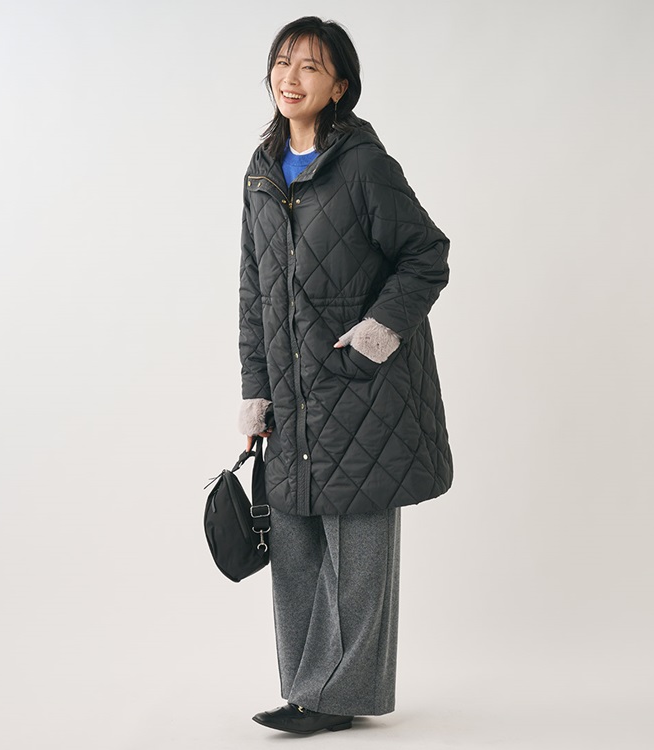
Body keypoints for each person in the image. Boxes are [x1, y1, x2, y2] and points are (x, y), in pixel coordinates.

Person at [237, 16, 455, 736]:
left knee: (358, 556)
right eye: (282, 62)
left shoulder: (363, 165)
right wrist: (255, 388)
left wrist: (374, 337)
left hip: (362, 390)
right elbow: (253, 288)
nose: (290, 77)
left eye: (310, 66)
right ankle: (307, 691)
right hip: (292, 396)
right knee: (295, 547)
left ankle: (337, 696)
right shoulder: (261, 171)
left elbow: (426, 254)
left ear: (340, 86)